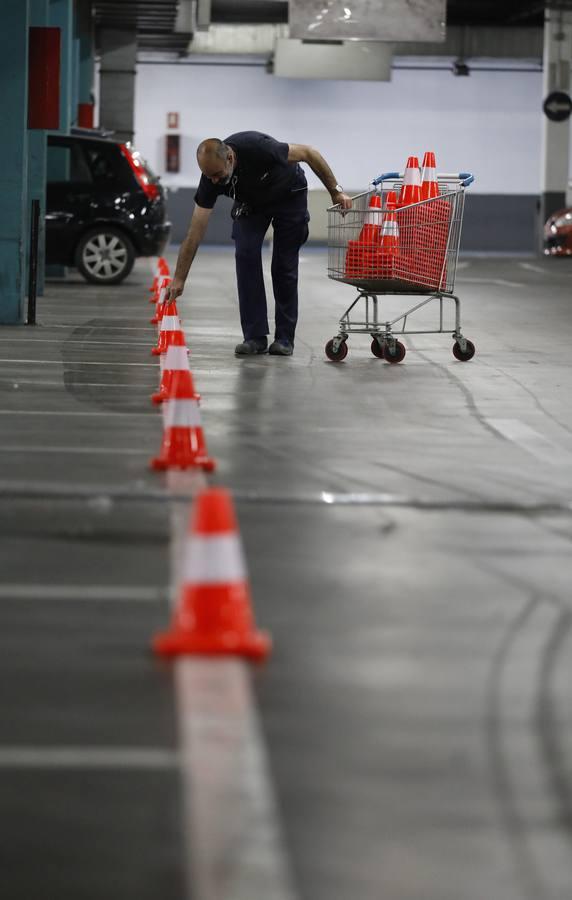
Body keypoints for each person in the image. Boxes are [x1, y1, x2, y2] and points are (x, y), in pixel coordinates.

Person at [167, 131, 352, 357]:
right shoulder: (210, 178)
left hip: (289, 194)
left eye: (217, 174)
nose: (214, 181)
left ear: (230, 159)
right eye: (209, 176)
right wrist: (179, 278)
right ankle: (254, 337)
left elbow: (309, 153)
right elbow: (195, 231)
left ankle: (284, 338)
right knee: (245, 254)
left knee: (283, 265)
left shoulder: (260, 148)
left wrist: (336, 191)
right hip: (252, 204)